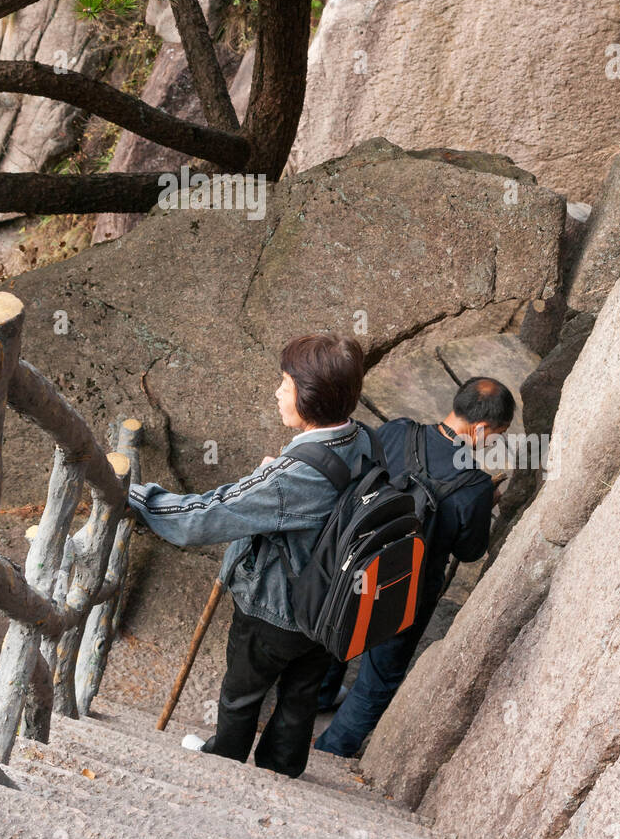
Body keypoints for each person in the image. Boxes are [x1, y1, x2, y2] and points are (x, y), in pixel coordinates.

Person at [127, 333, 375, 779]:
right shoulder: (362, 439)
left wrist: (136, 497)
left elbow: (205, 515)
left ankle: (224, 765)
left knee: (242, 693)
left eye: (285, 383)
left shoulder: (296, 473)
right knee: (300, 697)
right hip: (332, 605)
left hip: (275, 608)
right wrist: (273, 483)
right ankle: (281, 772)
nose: (278, 392)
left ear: (310, 397)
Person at [313, 375, 514, 759]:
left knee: (335, 632)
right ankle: (330, 753)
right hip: (407, 590)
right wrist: (483, 505)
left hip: (350, 563)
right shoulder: (474, 487)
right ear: (482, 428)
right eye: (497, 435)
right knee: (379, 677)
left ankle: (321, 696)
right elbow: (470, 552)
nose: (494, 442)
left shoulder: (396, 432)